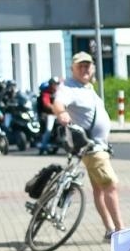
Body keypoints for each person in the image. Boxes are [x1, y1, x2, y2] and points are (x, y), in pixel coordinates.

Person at [51, 52, 123, 238]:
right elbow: (58, 103)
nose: (84, 69)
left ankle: (109, 229)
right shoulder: (69, 87)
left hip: (99, 146)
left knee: (99, 189)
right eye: (80, 66)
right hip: (92, 148)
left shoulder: (87, 87)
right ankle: (121, 231)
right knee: (111, 186)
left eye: (87, 66)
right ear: (72, 68)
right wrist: (61, 114)